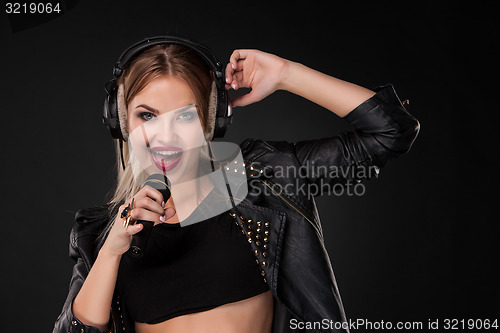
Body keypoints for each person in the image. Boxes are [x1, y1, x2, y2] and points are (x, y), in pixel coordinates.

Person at [53, 35, 419, 333]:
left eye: (184, 115)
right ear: (120, 123)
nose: (164, 135)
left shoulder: (261, 178)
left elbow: (390, 132)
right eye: (147, 115)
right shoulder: (100, 234)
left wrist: (287, 74)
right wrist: (113, 251)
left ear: (212, 122)